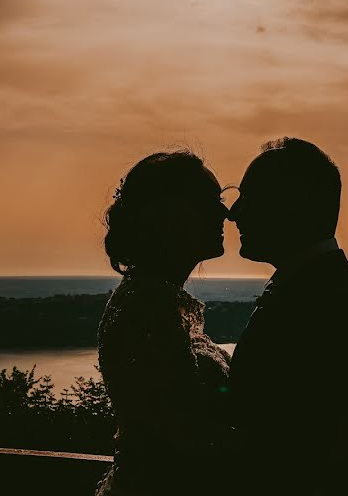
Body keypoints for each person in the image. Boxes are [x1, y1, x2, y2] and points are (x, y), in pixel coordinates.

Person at [227, 137, 348, 495]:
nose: (234, 213)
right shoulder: (317, 286)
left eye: (248, 198)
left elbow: (291, 443)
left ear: (292, 206)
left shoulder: (323, 300)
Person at [95, 150, 232, 496]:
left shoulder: (155, 299)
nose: (224, 212)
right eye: (208, 201)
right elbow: (186, 436)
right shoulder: (147, 308)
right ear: (168, 216)